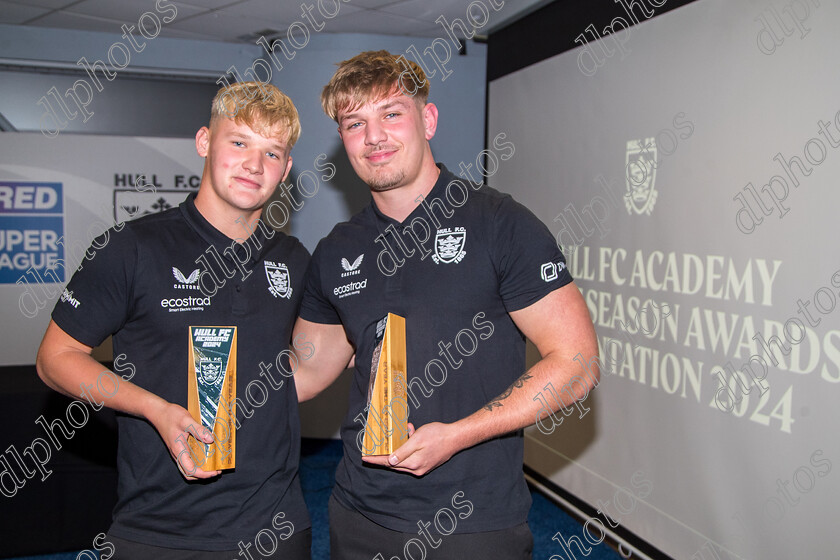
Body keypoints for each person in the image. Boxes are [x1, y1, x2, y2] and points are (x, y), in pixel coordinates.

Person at [292, 50, 599, 559]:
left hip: (473, 522)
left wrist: (457, 435)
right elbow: (305, 369)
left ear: (427, 119)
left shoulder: (501, 224)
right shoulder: (336, 250)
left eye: (391, 113)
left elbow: (577, 363)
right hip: (358, 512)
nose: (374, 137)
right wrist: (193, 382)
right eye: (354, 123)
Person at [36, 81, 312, 559]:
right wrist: (154, 408)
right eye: (240, 142)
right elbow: (55, 359)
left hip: (277, 528)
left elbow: (309, 361)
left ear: (286, 170)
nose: (254, 164)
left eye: (272, 153)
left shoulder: (294, 258)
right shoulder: (130, 247)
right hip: (160, 529)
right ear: (205, 142)